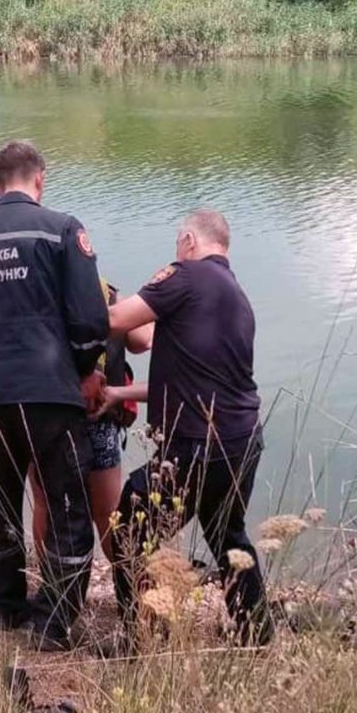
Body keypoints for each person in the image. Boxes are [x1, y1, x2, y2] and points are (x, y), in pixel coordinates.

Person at [0, 140, 109, 649]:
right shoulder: (63, 229)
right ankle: (53, 623)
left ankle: (7, 612)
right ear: (40, 180)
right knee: (66, 508)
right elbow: (89, 320)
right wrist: (82, 368)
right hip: (49, 396)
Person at [103, 208, 272, 647]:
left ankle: (138, 636)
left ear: (189, 241)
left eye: (178, 243)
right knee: (227, 535)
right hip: (243, 442)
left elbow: (115, 322)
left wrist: (92, 291)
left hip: (196, 447)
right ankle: (257, 634)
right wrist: (117, 395)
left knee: (127, 532)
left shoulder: (185, 275)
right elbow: (183, 382)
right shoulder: (237, 298)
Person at [31, 278, 152, 565]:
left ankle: (50, 581)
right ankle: (128, 585)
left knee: (46, 504)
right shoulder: (103, 291)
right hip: (96, 412)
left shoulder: (36, 289)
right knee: (108, 511)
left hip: (44, 410)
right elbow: (143, 340)